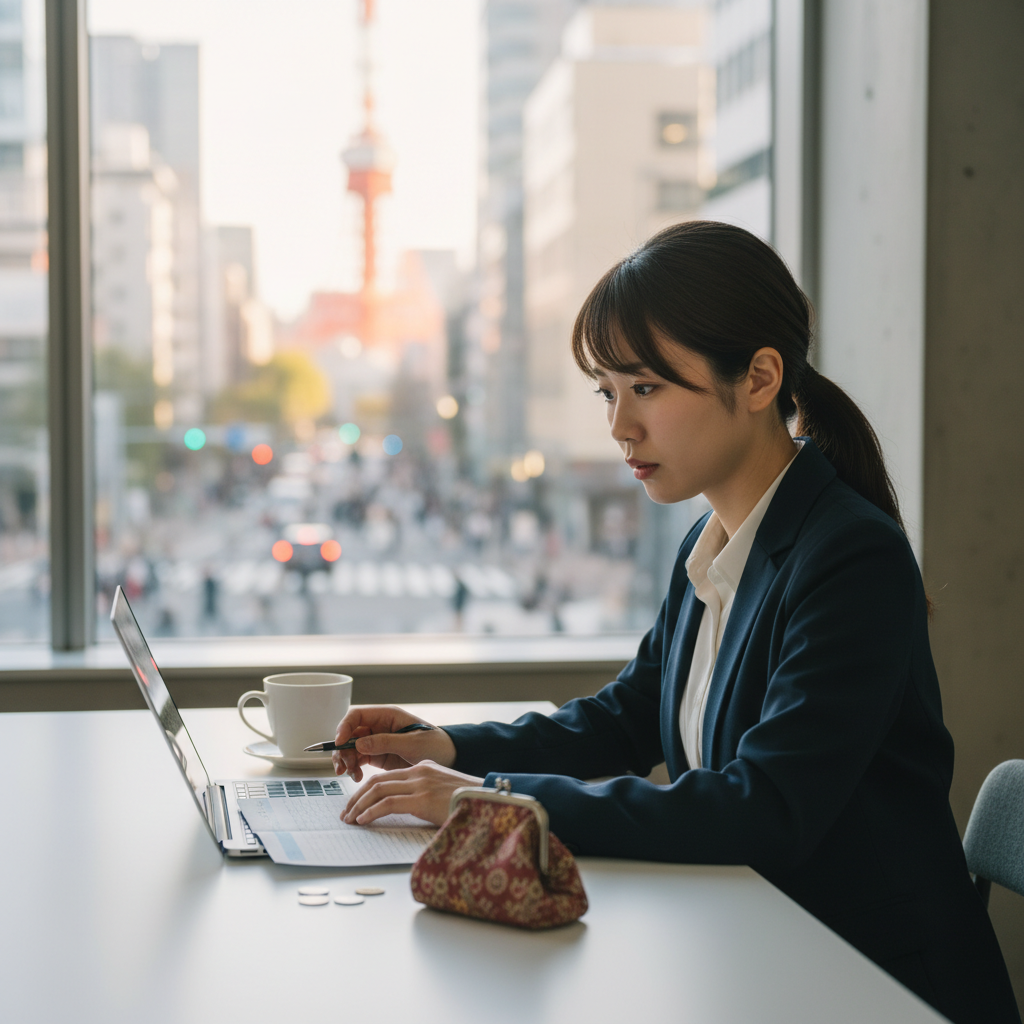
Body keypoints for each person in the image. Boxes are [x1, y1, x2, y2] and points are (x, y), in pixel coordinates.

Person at [330, 222, 1020, 1024]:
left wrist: (486, 798)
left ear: (760, 378)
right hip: (755, 951)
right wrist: (445, 748)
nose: (621, 426)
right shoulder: (711, 539)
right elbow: (625, 719)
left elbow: (761, 809)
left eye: (647, 389)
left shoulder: (850, 558)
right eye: (608, 392)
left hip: (869, 982)